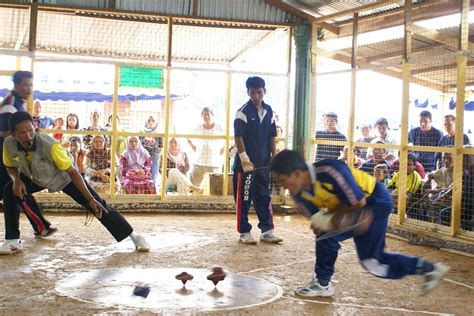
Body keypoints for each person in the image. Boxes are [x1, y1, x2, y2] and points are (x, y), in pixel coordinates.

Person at [269, 149, 450, 297]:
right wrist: (326, 222)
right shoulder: (298, 191)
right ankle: (429, 269)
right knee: (327, 236)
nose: (282, 186)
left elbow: (358, 203)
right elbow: (318, 220)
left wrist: (343, 219)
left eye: (283, 180)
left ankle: (323, 284)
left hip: (375, 201)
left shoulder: (331, 171)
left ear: (297, 174)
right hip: (353, 205)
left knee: (372, 261)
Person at [0, 112, 149, 254]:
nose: (28, 136)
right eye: (22, 133)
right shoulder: (9, 144)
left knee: (98, 205)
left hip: (64, 178)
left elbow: (73, 172)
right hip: (35, 177)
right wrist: (16, 180)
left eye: (30, 130)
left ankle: (135, 236)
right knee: (9, 190)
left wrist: (90, 199)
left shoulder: (50, 145)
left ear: (34, 128)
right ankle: (13, 240)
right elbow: (10, 165)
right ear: (12, 134)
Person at [233, 76, 282, 244]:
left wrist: (274, 158)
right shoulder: (243, 112)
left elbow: (272, 136)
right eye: (252, 92)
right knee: (244, 198)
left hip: (263, 164)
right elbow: (238, 136)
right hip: (245, 166)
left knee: (263, 197)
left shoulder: (269, 111)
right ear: (248, 92)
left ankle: (267, 231)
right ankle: (244, 232)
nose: (256, 96)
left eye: (259, 92)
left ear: (264, 92)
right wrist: (244, 159)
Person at [0, 71, 33, 204]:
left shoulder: (18, 102)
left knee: (15, 191)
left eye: (31, 85)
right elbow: (3, 132)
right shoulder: (10, 104)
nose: (29, 89)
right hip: (4, 155)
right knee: (16, 190)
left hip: (8, 155)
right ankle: (41, 224)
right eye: (25, 85)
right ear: (16, 85)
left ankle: (41, 224)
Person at [188, 107, 225, 189]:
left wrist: (221, 152)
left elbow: (228, 142)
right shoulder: (197, 128)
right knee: (195, 189)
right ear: (202, 116)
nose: (206, 116)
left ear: (212, 115)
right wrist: (195, 149)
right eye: (204, 115)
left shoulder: (220, 128)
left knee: (214, 189)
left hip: (214, 164)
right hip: (199, 163)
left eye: (208, 114)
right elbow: (188, 139)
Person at [141, 115, 163, 186]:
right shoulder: (142, 131)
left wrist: (159, 149)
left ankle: (153, 187)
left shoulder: (158, 132)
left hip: (154, 154)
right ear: (146, 122)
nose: (151, 122)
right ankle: (143, 186)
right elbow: (139, 142)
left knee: (154, 171)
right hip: (144, 154)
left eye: (153, 121)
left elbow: (161, 143)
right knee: (144, 170)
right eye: (149, 120)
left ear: (155, 122)